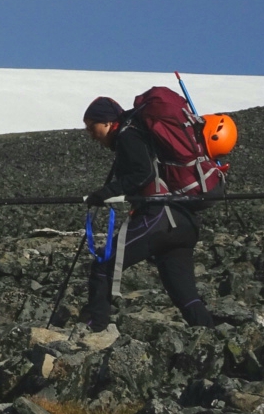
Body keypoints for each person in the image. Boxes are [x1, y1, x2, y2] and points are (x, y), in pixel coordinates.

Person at [78, 95, 215, 331]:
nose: (91, 134)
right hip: (183, 220)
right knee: (185, 293)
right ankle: (209, 334)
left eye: (92, 127)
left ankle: (93, 327)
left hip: (159, 217)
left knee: (103, 263)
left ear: (108, 122)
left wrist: (106, 192)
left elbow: (143, 174)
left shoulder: (128, 135)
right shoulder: (139, 133)